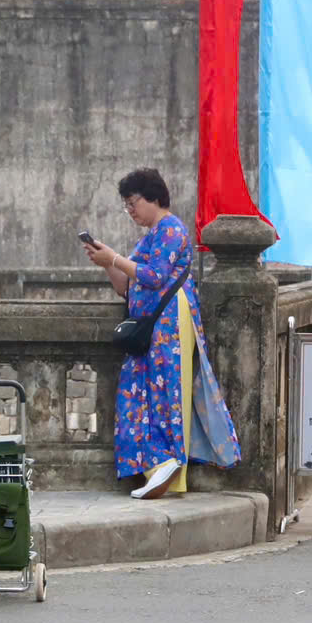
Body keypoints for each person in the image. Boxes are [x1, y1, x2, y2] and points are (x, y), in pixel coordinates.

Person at [82, 167, 240, 500]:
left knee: (168, 391)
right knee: (142, 393)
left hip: (169, 322)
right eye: (126, 205)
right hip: (154, 323)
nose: (130, 211)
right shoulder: (151, 235)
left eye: (133, 202)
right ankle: (158, 465)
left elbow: (153, 277)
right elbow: (125, 285)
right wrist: (108, 262)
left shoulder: (172, 230)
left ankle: (168, 461)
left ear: (154, 197)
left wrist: (116, 258)